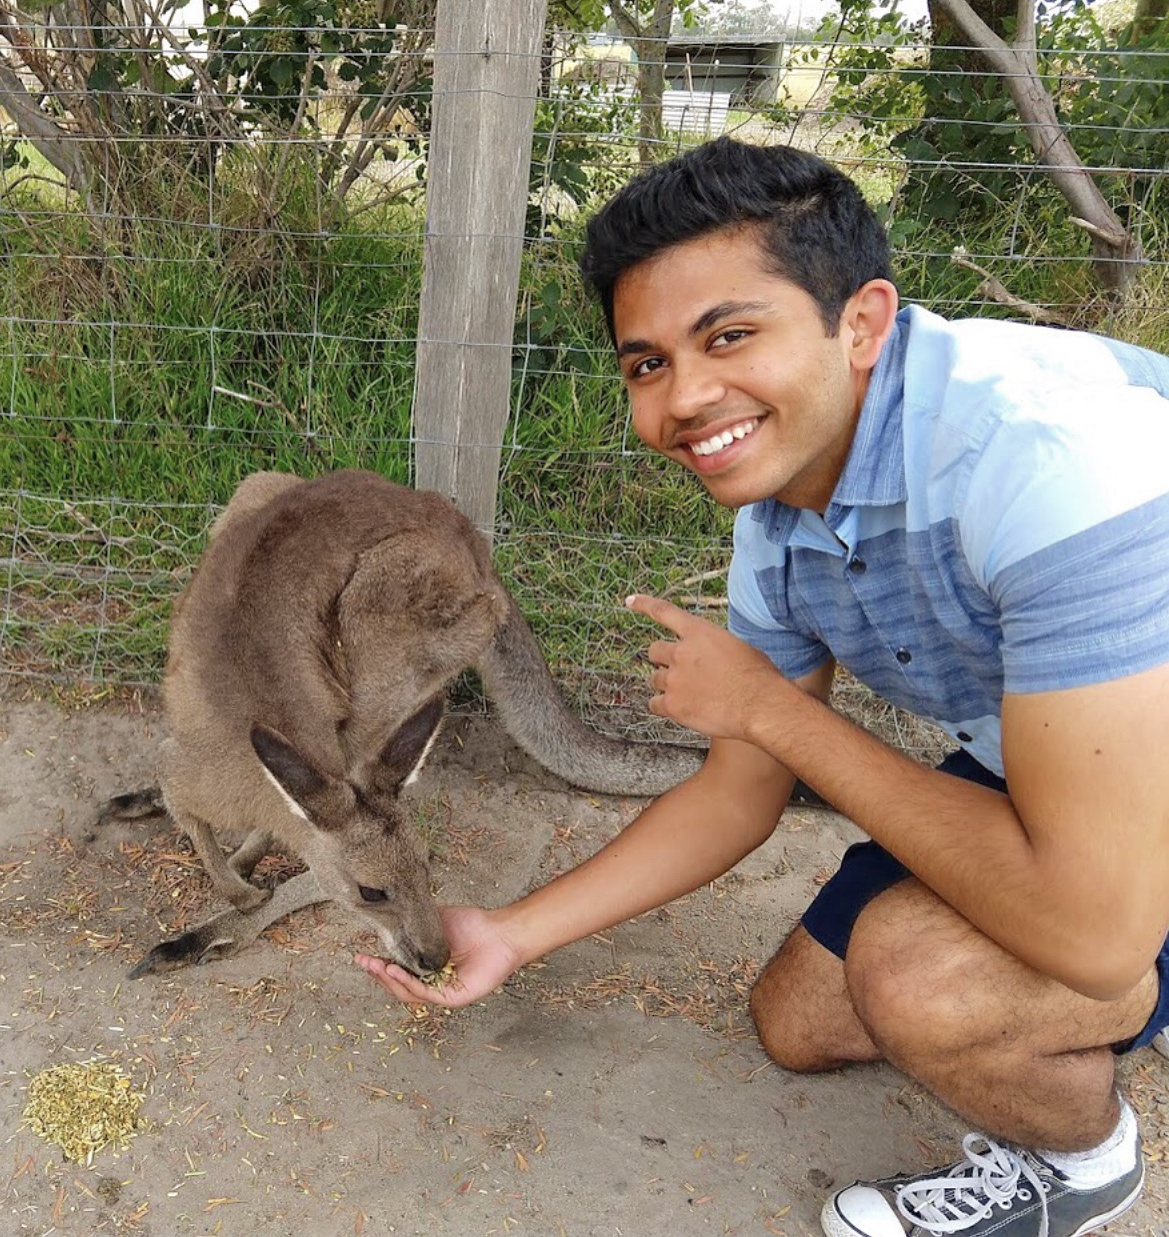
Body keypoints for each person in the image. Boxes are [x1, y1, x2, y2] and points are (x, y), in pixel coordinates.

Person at [356, 136, 1169, 1237]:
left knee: (929, 978)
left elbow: (1087, 936)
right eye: (645, 363)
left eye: (727, 335)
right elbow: (739, 793)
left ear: (861, 322)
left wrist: (767, 709)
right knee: (800, 1021)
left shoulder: (1053, 464)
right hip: (1058, 741)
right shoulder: (780, 521)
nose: (685, 397)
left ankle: (1082, 1164)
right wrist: (513, 929)